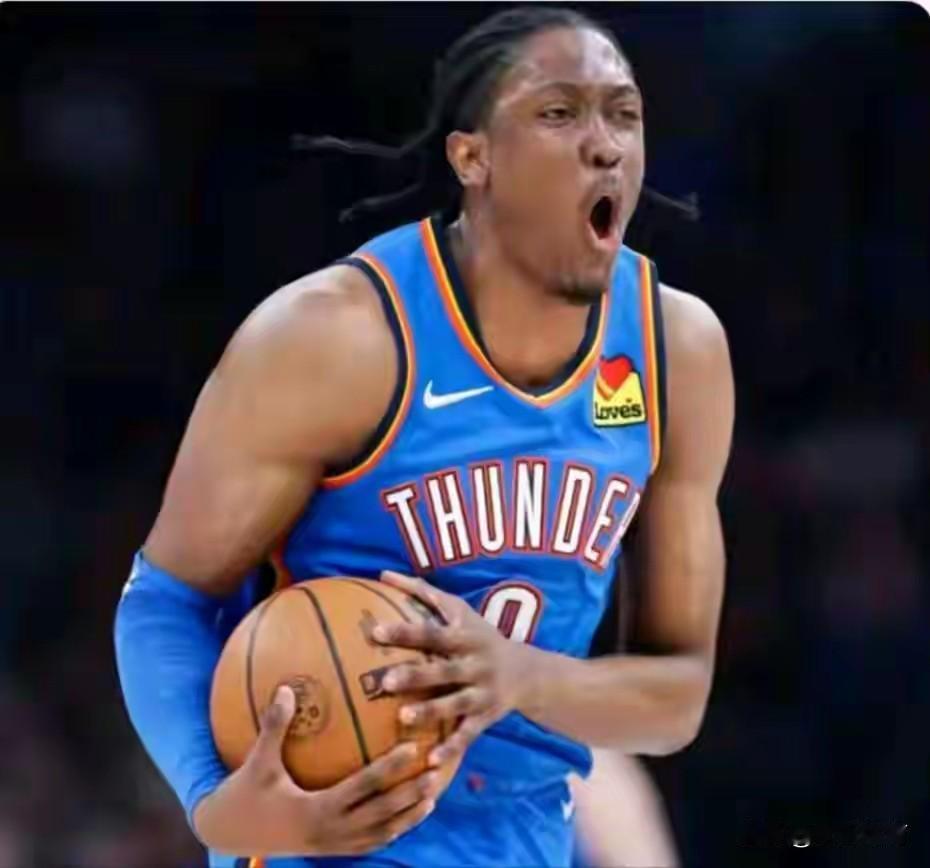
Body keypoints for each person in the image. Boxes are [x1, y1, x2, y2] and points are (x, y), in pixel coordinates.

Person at [115, 7, 733, 867]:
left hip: (524, 842)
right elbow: (165, 599)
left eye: (624, 114)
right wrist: (212, 804)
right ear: (472, 158)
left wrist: (520, 676)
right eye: (559, 112)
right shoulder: (334, 338)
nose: (605, 145)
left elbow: (677, 698)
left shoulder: (677, 353)